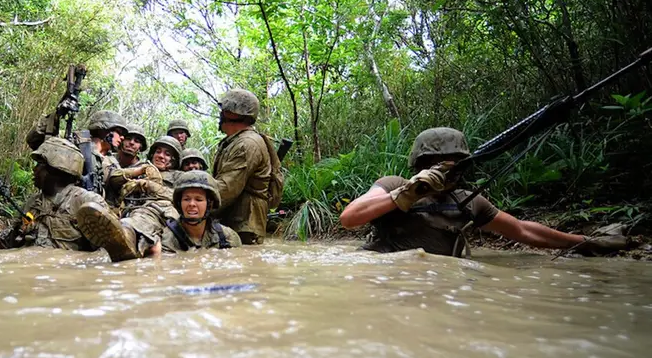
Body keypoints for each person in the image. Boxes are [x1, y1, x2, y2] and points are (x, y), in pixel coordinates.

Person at [339, 127, 628, 258]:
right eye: (434, 164)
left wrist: (586, 242)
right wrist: (407, 193)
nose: (445, 171)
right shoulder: (392, 184)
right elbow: (350, 217)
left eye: (452, 164)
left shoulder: (469, 200)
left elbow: (524, 231)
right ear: (419, 164)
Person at [76, 170, 242, 262]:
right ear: (179, 203)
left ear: (210, 204)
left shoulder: (227, 238)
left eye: (198, 199)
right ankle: (128, 235)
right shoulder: (168, 238)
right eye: (186, 199)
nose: (192, 204)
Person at [0, 136, 108, 250]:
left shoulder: (86, 202)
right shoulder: (33, 202)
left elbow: (107, 253)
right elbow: (8, 240)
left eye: (39, 165)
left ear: (54, 170)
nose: (34, 170)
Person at [212, 89, 272, 245]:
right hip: (238, 222)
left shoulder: (246, 144)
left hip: (245, 226)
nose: (221, 114)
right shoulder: (235, 141)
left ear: (231, 114)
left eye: (224, 110)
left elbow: (226, 188)